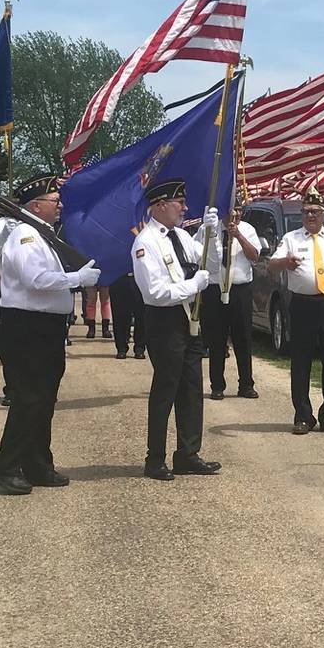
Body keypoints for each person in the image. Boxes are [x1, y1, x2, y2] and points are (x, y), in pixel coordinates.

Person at [0, 175, 102, 495]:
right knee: (29, 397)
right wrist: (76, 277)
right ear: (35, 205)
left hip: (45, 326)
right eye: (54, 200)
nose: (60, 205)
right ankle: (4, 465)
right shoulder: (25, 235)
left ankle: (37, 462)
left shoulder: (42, 234)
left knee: (45, 397)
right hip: (27, 325)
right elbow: (35, 279)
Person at [130, 178, 221, 481]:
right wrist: (192, 285)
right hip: (165, 321)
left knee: (192, 388)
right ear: (159, 206)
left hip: (190, 320)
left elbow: (210, 264)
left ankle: (187, 454)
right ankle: (154, 458)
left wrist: (211, 233)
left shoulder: (181, 235)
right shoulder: (145, 243)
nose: (184, 207)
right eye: (178, 202)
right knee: (166, 389)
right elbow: (154, 292)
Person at [266, 189, 324, 435]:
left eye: (315, 212)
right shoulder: (291, 239)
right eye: (306, 212)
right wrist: (285, 262)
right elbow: (271, 266)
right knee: (301, 361)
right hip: (303, 305)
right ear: (301, 215)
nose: (311, 216)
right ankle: (303, 416)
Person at [192, 197, 259, 400]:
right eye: (231, 210)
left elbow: (255, 256)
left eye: (238, 210)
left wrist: (238, 236)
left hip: (240, 291)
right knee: (216, 339)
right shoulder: (208, 229)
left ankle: (246, 384)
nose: (235, 214)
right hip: (214, 291)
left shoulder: (248, 230)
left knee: (243, 339)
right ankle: (217, 385)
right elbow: (195, 255)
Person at [109, 272, 146, 359]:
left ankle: (140, 348)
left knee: (142, 316)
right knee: (119, 316)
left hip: (139, 280)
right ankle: (121, 348)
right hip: (118, 279)